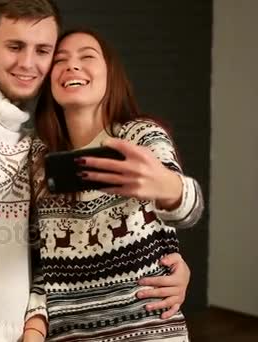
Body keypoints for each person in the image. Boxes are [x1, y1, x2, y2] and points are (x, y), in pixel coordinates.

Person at [0, 1, 194, 341]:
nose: (27, 63)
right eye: (15, 46)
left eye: (42, 50)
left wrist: (174, 258)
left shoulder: (31, 149)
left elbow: (40, 259)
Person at [23, 28, 204, 341]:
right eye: (60, 60)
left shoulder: (140, 137)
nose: (72, 65)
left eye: (87, 56)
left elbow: (188, 211)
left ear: (111, 74)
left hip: (150, 330)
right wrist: (33, 330)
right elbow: (41, 268)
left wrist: (167, 186)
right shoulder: (37, 160)